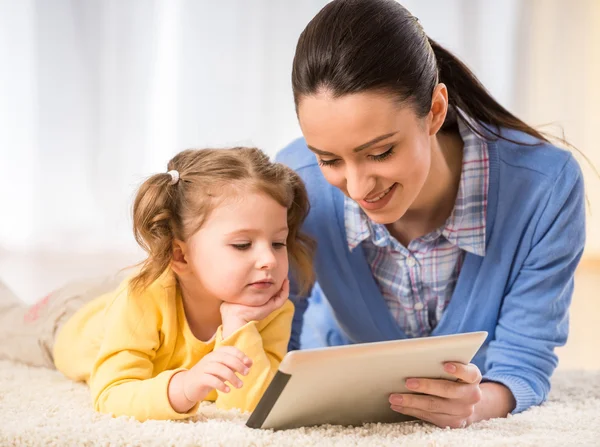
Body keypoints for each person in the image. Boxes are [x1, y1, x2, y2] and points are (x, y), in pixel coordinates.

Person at [276, 0, 586, 429]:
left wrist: (479, 404)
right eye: (329, 159)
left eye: (381, 152)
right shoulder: (298, 184)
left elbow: (525, 358)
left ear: (435, 111)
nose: (359, 187)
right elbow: (271, 331)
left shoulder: (544, 188)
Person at [0, 147, 314, 422]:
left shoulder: (269, 309)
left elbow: (250, 407)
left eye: (277, 243)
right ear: (181, 254)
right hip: (70, 321)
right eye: (243, 244)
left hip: (140, 286)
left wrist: (238, 327)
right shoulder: (142, 298)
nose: (269, 261)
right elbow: (111, 393)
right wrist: (185, 386)